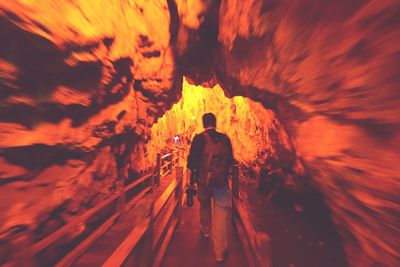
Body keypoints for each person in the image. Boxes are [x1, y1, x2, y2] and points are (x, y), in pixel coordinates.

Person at [187, 113, 234, 262]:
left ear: (203, 123)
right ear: (215, 122)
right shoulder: (225, 139)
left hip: (203, 182)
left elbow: (191, 163)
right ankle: (220, 252)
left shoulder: (199, 139)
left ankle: (205, 229)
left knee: (205, 206)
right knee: (221, 214)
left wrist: (192, 180)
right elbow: (231, 161)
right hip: (221, 183)